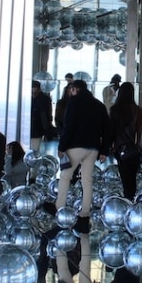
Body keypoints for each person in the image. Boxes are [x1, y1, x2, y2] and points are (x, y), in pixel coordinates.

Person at [55, 79, 111, 232]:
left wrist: (62, 147)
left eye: (71, 89)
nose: (70, 92)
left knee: (66, 176)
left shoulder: (74, 102)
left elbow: (69, 125)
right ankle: (84, 214)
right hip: (93, 147)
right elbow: (107, 129)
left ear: (76, 90)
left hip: (75, 146)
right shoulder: (99, 105)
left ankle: (59, 207)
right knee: (87, 180)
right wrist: (104, 150)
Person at [109, 82, 142, 200]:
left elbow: (111, 130)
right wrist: (138, 145)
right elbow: (139, 131)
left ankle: (127, 199)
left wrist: (109, 147)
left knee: (125, 178)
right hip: (134, 150)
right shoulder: (139, 111)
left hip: (120, 149)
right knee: (132, 178)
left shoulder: (115, 110)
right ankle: (131, 199)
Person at [30, 79, 55, 151]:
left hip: (38, 127)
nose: (33, 90)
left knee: (35, 148)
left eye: (34, 87)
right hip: (34, 126)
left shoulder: (44, 99)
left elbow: (46, 114)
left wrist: (47, 128)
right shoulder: (44, 98)